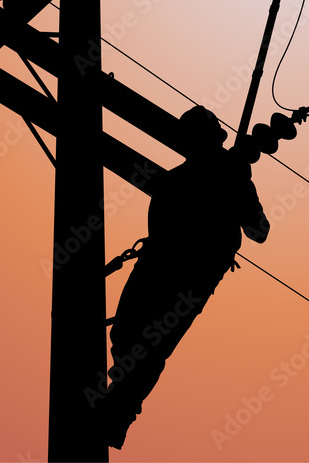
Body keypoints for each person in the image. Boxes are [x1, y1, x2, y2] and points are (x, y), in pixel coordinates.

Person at [97, 105, 269, 449]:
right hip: (157, 266)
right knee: (127, 334)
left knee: (150, 346)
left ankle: (116, 413)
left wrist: (236, 185)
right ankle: (116, 407)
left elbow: (258, 230)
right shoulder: (177, 180)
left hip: (191, 279)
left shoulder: (231, 177)